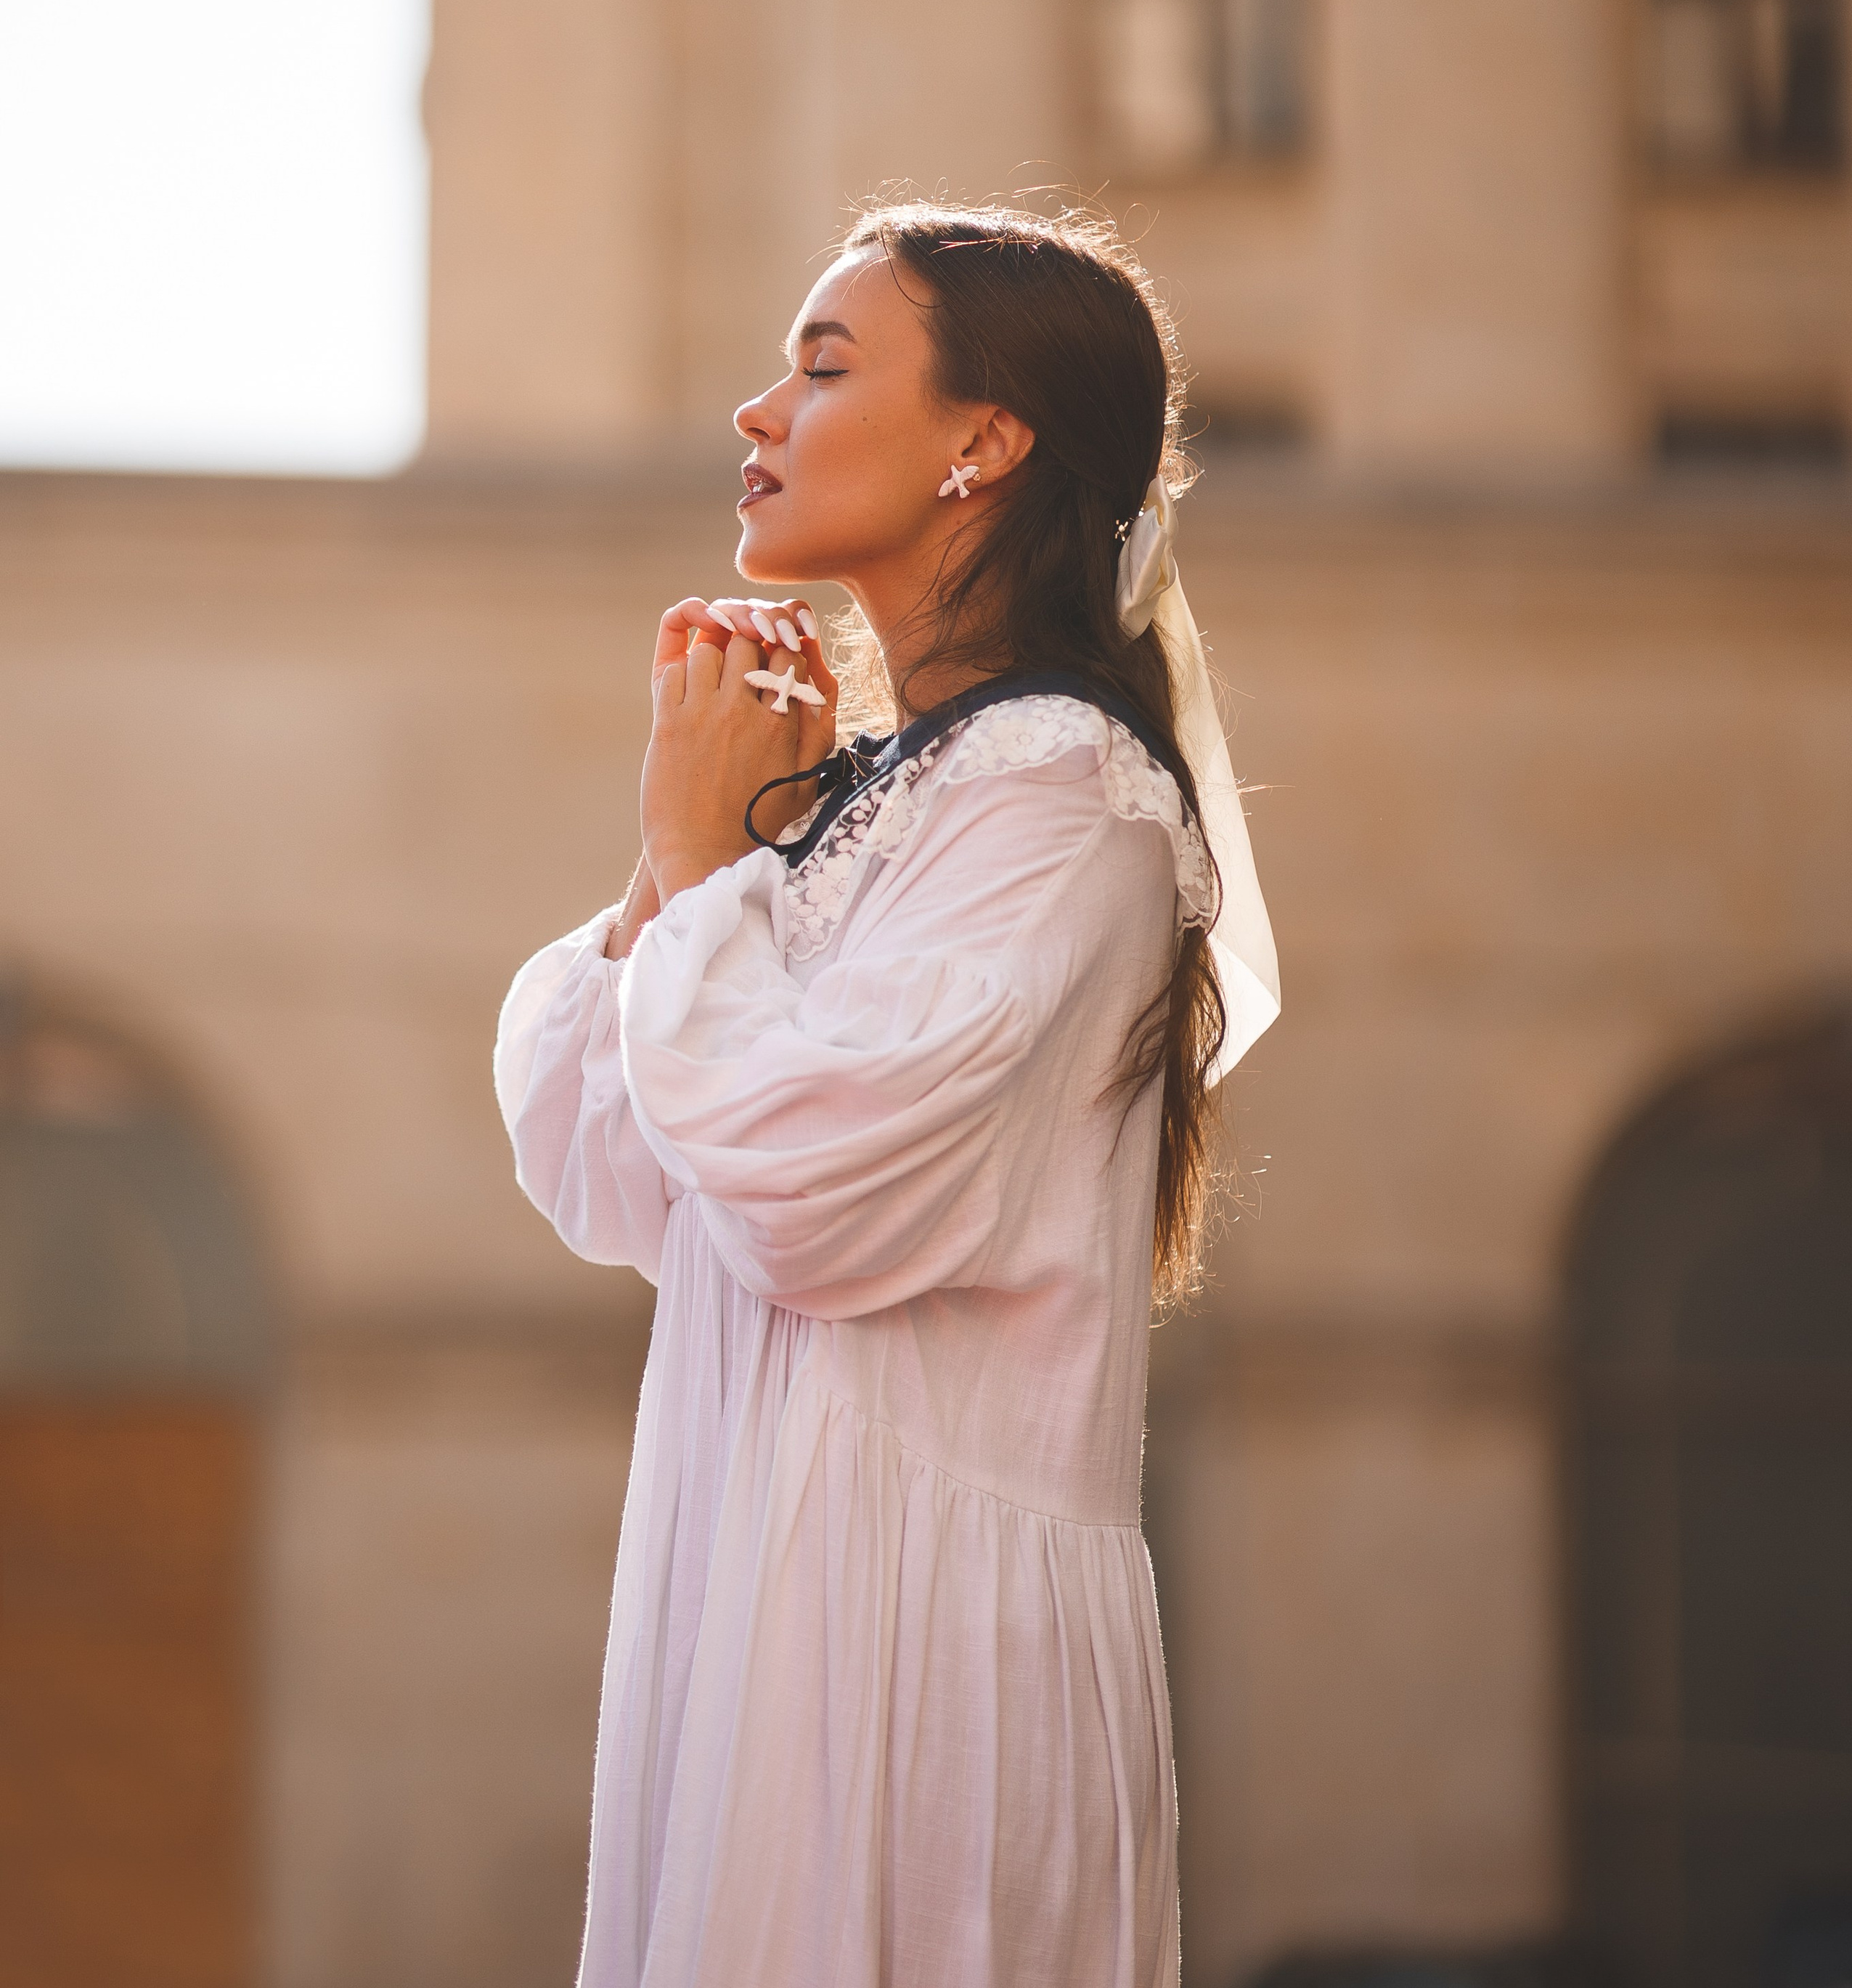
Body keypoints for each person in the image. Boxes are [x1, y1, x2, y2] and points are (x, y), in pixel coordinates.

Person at [494, 203, 1279, 1988]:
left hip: (908, 1636)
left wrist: (704, 857)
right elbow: (611, 1164)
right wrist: (674, 853)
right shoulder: (877, 795)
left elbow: (810, 1188)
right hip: (759, 1578)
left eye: (824, 365)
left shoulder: (1066, 797)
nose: (759, 414)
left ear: (982, 445)